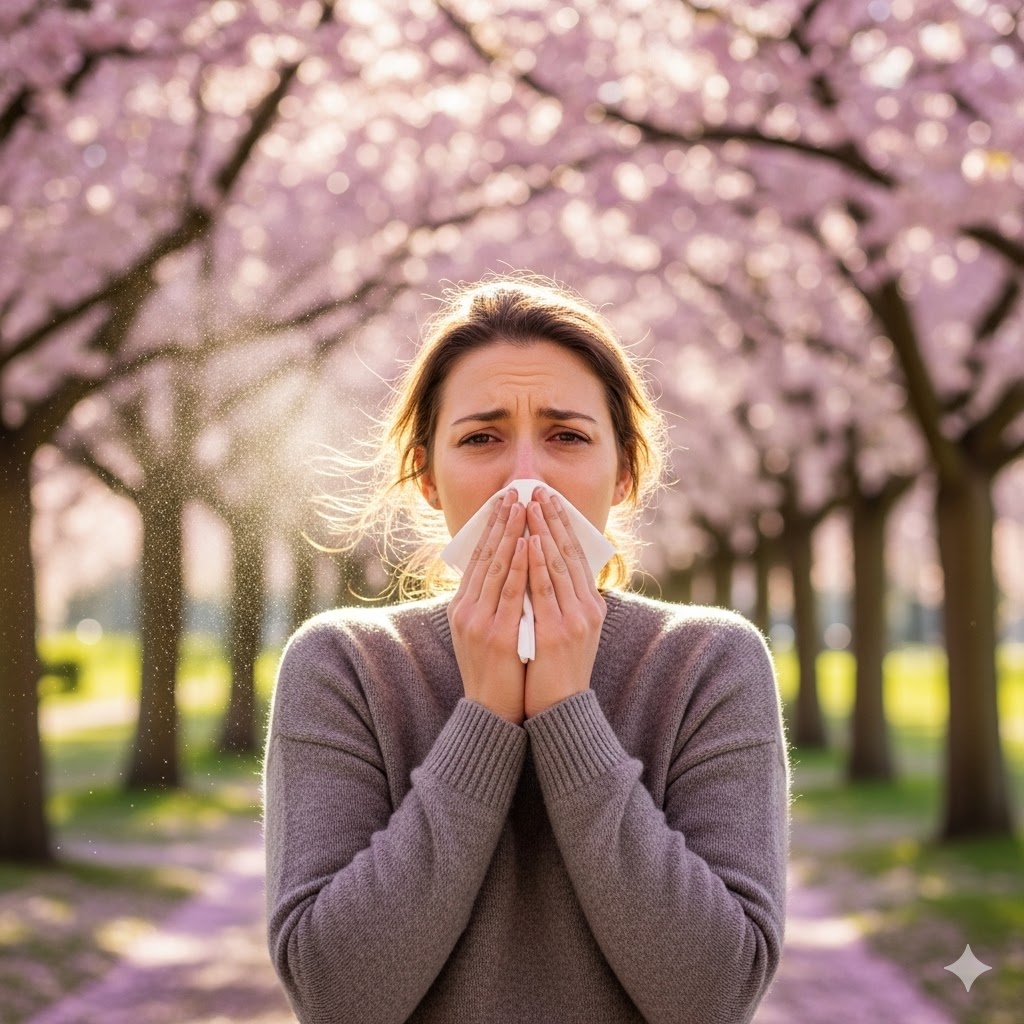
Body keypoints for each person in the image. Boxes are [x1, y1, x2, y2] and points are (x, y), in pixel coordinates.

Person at [262, 274, 791, 1024]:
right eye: (481, 438)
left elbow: (714, 996)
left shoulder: (708, 663)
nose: (525, 481)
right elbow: (336, 997)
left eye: (567, 436)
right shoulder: (344, 665)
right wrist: (483, 715)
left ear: (626, 472)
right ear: (426, 476)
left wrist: (567, 708)